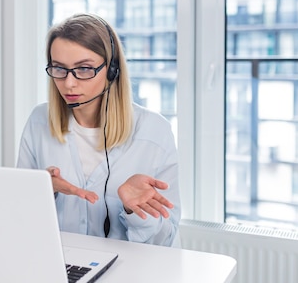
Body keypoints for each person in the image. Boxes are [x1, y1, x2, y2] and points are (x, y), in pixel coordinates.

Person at [17, 13, 180, 246]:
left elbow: (167, 241)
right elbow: (18, 219)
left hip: (131, 273)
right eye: (59, 69)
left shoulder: (154, 132)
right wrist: (42, 192)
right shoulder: (38, 122)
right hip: (61, 267)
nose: (69, 83)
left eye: (84, 69)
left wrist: (135, 212)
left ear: (112, 70)